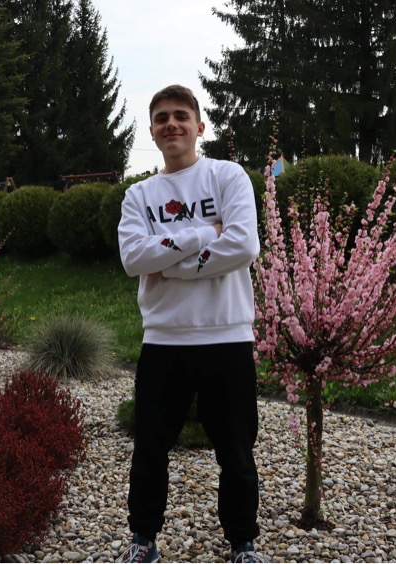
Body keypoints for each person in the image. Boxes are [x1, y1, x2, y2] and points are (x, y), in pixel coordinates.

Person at [116, 85, 267, 563]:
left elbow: (243, 245)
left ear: (200, 127)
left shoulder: (227, 176)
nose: (171, 124)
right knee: (150, 449)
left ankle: (242, 544)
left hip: (227, 335)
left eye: (181, 116)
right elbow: (133, 257)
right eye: (162, 118)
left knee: (236, 451)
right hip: (164, 341)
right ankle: (143, 540)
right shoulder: (139, 195)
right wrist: (204, 233)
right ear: (152, 131)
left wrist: (172, 265)